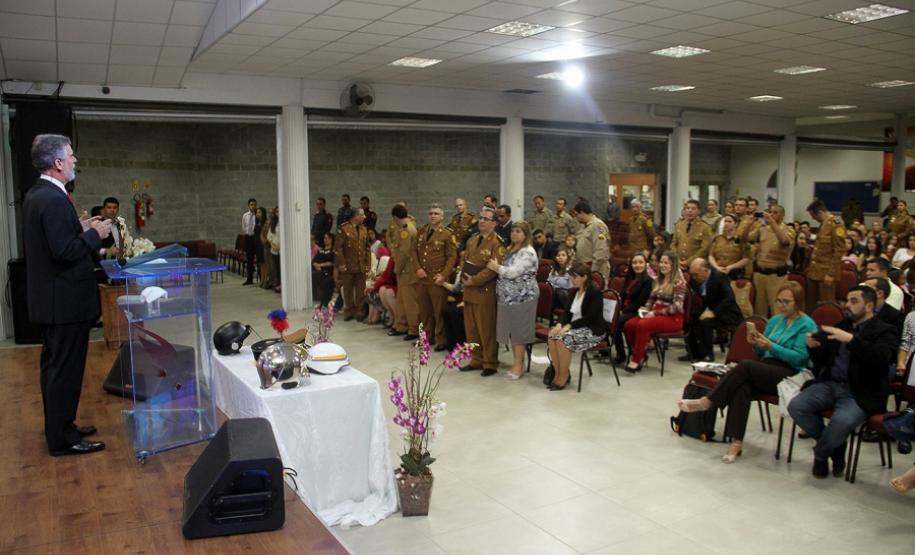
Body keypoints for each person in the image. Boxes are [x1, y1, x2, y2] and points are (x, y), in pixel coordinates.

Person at [23, 133, 110, 456]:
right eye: (71, 156)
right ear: (58, 163)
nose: (75, 161)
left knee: (55, 369)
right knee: (64, 372)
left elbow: (54, 241)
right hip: (65, 303)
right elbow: (63, 251)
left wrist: (79, 227)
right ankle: (62, 438)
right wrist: (92, 234)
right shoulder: (53, 198)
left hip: (54, 301)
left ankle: (62, 426)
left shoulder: (39, 194)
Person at [678, 282, 817, 463]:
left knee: (744, 366)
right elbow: (762, 353)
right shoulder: (775, 320)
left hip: (789, 373)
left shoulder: (806, 324)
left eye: (787, 302)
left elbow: (800, 358)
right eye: (779, 301)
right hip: (767, 367)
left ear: (798, 302)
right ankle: (736, 442)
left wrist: (771, 346)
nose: (782, 305)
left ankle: (709, 401)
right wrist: (756, 345)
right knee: (742, 387)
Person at [788, 285, 898, 479]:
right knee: (796, 406)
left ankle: (821, 454)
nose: (847, 305)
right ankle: (836, 447)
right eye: (847, 300)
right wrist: (813, 347)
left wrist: (851, 340)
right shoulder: (842, 325)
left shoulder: (885, 330)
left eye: (854, 301)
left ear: (869, 306)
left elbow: (881, 359)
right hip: (830, 384)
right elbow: (822, 362)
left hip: (860, 392)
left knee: (841, 423)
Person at [488, 221, 539, 379]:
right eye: (513, 231)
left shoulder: (528, 252)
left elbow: (513, 272)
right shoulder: (510, 248)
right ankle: (516, 362)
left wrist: (497, 268)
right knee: (511, 332)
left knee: (519, 333)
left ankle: (519, 365)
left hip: (522, 297)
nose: (514, 234)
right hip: (507, 298)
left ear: (526, 234)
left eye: (518, 231)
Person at [459, 205, 505, 377]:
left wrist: (474, 280)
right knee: (471, 329)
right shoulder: (472, 240)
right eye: (480, 218)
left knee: (486, 329)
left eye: (486, 219)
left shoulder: (497, 243)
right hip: (469, 290)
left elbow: (492, 269)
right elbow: (464, 261)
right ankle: (476, 359)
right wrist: (464, 276)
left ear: (494, 223)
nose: (481, 221)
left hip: (485, 291)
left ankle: (490, 362)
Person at [624, 251, 687, 373]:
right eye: (661, 262)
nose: (662, 265)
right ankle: (642, 355)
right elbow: (651, 299)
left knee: (643, 325)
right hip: (656, 313)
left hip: (673, 318)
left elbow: (677, 306)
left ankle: (636, 360)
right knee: (629, 325)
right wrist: (646, 309)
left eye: (666, 263)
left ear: (673, 265)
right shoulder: (658, 280)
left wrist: (655, 313)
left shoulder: (679, 283)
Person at [546, 263, 606, 390]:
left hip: (592, 330)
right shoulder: (573, 291)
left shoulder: (595, 292)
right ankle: (559, 373)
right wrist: (559, 324)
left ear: (584, 277)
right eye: (571, 277)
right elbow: (566, 312)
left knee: (563, 340)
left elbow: (590, 317)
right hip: (575, 327)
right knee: (552, 337)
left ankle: (563, 377)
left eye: (575, 277)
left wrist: (569, 326)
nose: (572, 280)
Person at [413, 203, 457, 351]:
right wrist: (418, 268)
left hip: (437, 278)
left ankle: (441, 340)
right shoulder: (422, 231)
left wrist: (444, 276)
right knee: (424, 311)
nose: (433, 216)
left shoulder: (447, 234)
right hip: (422, 278)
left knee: (438, 312)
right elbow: (414, 252)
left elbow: (452, 257)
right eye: (431, 213)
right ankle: (426, 338)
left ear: (442, 216)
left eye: (436, 214)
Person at [682, 258, 743, 363]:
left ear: (705, 270)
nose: (694, 277)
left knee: (705, 322)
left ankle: (707, 354)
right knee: (690, 318)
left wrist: (713, 312)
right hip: (708, 307)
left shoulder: (720, 277)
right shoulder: (694, 279)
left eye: (696, 274)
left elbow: (729, 298)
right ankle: (693, 352)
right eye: (692, 274)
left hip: (725, 312)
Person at [752, 204, 795, 317]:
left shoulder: (788, 230)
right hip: (760, 274)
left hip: (776, 276)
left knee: (778, 310)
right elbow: (745, 239)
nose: (771, 215)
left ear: (783, 215)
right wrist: (750, 223)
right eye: (770, 212)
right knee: (759, 311)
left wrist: (772, 223)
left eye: (775, 212)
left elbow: (784, 241)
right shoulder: (763, 229)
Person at [805, 199, 846, 311]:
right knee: (812, 306)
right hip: (815, 271)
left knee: (827, 306)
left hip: (827, 272)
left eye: (813, 215)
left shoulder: (836, 225)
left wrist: (831, 273)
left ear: (820, 212)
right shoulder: (823, 225)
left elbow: (839, 251)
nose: (813, 219)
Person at [612, 253, 652, 365]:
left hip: (638, 311)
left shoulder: (648, 281)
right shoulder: (629, 278)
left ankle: (621, 354)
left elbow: (640, 302)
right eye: (634, 263)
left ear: (645, 264)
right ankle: (610, 351)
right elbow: (621, 296)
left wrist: (622, 311)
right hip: (625, 310)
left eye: (640, 262)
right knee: (608, 318)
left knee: (617, 321)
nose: (637, 265)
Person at [387, 204, 420, 339]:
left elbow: (403, 253)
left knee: (410, 302)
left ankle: (413, 329)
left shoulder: (406, 230)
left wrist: (397, 269)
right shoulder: (405, 228)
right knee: (402, 300)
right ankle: (402, 325)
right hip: (404, 271)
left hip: (407, 270)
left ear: (395, 217)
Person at [334, 207, 370, 321]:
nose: (364, 217)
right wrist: (341, 264)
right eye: (362, 215)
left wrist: (368, 264)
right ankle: (349, 311)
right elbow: (338, 248)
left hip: (361, 265)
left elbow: (367, 249)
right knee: (348, 289)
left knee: (361, 290)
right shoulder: (344, 228)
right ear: (356, 216)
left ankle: (359, 311)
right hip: (348, 265)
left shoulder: (364, 229)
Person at [572, 200, 611, 279]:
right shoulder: (584, 226)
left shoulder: (598, 226)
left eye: (576, 215)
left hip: (596, 268)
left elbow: (601, 250)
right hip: (584, 267)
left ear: (582, 213)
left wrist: (593, 271)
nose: (576, 218)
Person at [671, 199, 712, 269]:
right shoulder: (679, 225)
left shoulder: (705, 227)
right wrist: (676, 259)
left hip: (696, 265)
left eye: (693, 209)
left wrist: (689, 261)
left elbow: (705, 249)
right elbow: (673, 244)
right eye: (688, 208)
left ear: (699, 211)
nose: (690, 211)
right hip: (678, 264)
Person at [708, 214, 750, 280]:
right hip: (717, 271)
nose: (726, 224)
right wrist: (717, 267)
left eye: (729, 222)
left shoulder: (741, 239)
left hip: (733, 273)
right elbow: (711, 256)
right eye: (725, 221)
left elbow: (746, 259)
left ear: (736, 224)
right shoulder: (718, 238)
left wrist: (730, 267)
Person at [313, 232, 336, 306]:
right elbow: (314, 261)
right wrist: (316, 265)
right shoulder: (321, 250)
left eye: (327, 238)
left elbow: (332, 262)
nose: (325, 240)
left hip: (328, 272)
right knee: (314, 275)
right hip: (318, 271)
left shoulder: (333, 250)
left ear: (331, 240)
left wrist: (320, 265)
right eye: (324, 238)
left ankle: (325, 301)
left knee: (328, 280)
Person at [241, 197, 258, 285]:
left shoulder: (257, 215)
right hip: (248, 238)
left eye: (254, 205)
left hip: (255, 238)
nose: (253, 206)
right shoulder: (245, 215)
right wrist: (247, 233)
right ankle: (249, 279)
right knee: (249, 259)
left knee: (258, 258)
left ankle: (261, 279)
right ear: (248, 206)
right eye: (251, 205)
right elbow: (244, 226)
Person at [266, 209, 281, 293]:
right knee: (276, 268)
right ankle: (278, 284)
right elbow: (269, 236)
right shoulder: (274, 223)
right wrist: (272, 245)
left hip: (281, 249)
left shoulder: (284, 223)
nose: (278, 213)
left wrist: (279, 247)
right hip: (274, 249)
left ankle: (283, 285)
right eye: (277, 212)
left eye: (279, 211)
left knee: (281, 268)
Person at [254, 207, 267, 284]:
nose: (257, 214)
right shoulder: (257, 222)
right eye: (257, 213)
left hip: (263, 244)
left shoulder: (265, 223)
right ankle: (261, 279)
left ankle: (265, 280)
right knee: (260, 263)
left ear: (263, 213)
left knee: (264, 263)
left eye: (259, 212)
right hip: (257, 244)